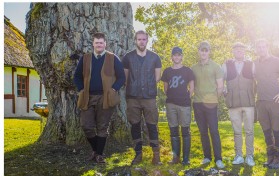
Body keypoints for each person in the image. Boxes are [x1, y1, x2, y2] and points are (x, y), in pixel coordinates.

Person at [74, 32, 126, 163]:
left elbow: (122, 77)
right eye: (96, 42)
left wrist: (114, 89)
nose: (99, 45)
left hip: (105, 97)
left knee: (102, 126)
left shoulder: (112, 58)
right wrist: (81, 89)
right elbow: (76, 76)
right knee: (86, 125)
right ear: (93, 44)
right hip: (88, 97)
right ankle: (96, 150)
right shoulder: (85, 58)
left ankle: (99, 154)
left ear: (105, 44)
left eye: (101, 43)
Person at [122, 30, 162, 165]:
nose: (141, 41)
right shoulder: (128, 57)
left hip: (149, 97)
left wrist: (147, 86)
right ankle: (138, 154)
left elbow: (157, 77)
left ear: (147, 40)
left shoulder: (155, 57)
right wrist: (134, 87)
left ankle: (156, 155)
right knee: (135, 125)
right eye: (139, 39)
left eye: (144, 39)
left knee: (152, 125)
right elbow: (125, 78)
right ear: (135, 40)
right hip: (133, 97)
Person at [254, 39, 279, 169]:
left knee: (277, 131)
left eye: (263, 46)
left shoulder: (276, 61)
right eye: (258, 47)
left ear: (267, 47)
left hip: (275, 102)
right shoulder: (255, 63)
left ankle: (278, 159)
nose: (261, 49)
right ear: (256, 49)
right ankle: (270, 157)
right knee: (266, 131)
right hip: (261, 102)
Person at [192, 41, 225, 169]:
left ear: (209, 52)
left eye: (206, 50)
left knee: (214, 131)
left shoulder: (216, 67)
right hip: (198, 103)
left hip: (211, 104)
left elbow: (220, 86)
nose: (204, 52)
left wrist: (214, 98)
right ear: (199, 51)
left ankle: (218, 159)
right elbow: (191, 85)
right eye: (202, 50)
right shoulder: (193, 68)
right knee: (203, 131)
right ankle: (207, 157)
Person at [222, 42, 256, 166]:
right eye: (236, 50)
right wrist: (224, 91)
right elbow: (219, 80)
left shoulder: (251, 64)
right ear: (233, 52)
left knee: (249, 131)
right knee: (237, 131)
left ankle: (250, 156)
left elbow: (258, 79)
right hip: (233, 103)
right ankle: (239, 156)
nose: (239, 52)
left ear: (244, 51)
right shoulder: (226, 65)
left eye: (241, 50)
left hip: (248, 103)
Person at [161, 47, 195, 165]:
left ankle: (186, 159)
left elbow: (192, 88)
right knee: (173, 131)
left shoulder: (188, 71)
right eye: (174, 55)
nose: (176, 57)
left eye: (178, 55)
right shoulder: (167, 71)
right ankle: (175, 158)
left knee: (185, 131)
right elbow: (165, 88)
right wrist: (172, 96)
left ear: (181, 57)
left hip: (184, 104)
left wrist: (186, 97)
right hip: (171, 104)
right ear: (172, 57)